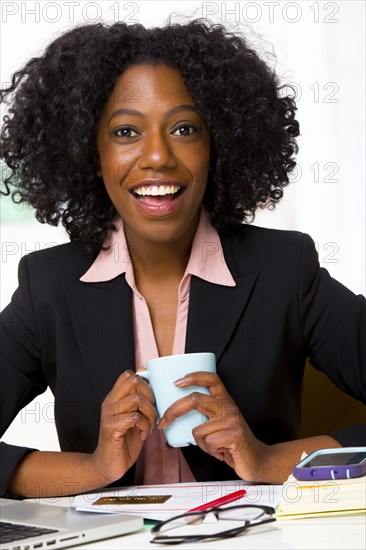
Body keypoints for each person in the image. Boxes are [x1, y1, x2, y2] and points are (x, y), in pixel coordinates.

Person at [0, 19, 365, 499]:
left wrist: (267, 458)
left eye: (185, 128)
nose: (157, 156)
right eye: (126, 130)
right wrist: (93, 468)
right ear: (91, 153)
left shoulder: (285, 270)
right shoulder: (49, 287)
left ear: (219, 145)